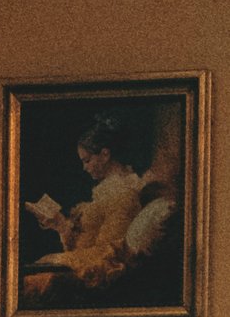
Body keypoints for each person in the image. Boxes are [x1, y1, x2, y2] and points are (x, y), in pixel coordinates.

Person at [24, 113, 176, 301]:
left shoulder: (123, 194)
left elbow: (108, 252)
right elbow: (89, 243)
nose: (84, 168)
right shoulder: (108, 191)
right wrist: (61, 226)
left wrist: (58, 259)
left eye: (87, 160)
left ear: (105, 154)